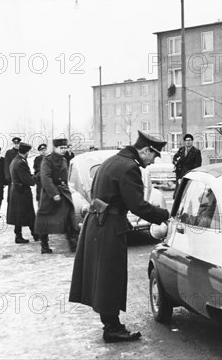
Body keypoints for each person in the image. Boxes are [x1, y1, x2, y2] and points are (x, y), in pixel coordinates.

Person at [69, 130, 170, 343]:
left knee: (103, 277)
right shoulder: (129, 168)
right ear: (145, 150)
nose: (152, 162)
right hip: (109, 227)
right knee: (110, 278)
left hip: (98, 224)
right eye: (154, 156)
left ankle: (111, 324)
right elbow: (138, 206)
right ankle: (112, 328)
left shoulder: (112, 161)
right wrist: (165, 215)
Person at [34, 139, 77, 254]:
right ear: (55, 148)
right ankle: (44, 245)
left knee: (69, 216)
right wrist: (54, 194)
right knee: (45, 219)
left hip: (63, 192)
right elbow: (45, 177)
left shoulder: (63, 159)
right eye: (61, 148)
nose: (63, 150)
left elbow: (65, 176)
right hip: (50, 194)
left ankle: (73, 244)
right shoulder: (47, 160)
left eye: (65, 148)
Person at [6, 142, 39, 243]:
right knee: (29, 214)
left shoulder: (15, 160)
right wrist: (36, 177)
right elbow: (28, 180)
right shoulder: (21, 163)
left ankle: (18, 235)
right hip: (22, 193)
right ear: (27, 152)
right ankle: (36, 235)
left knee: (18, 215)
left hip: (16, 191)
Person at [172, 133, 202, 198]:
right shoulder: (181, 150)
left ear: (192, 141)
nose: (188, 142)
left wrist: (193, 173)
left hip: (189, 173)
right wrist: (175, 163)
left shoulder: (196, 151)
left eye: (189, 140)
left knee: (188, 191)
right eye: (186, 140)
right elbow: (175, 158)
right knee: (179, 190)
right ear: (184, 142)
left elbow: (198, 164)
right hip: (180, 173)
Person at [4, 137, 21, 202]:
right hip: (12, 178)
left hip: (20, 178)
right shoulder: (9, 153)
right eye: (15, 143)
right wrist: (8, 177)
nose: (16, 145)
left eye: (18, 143)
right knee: (12, 197)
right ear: (13, 144)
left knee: (20, 197)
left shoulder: (22, 153)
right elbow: (6, 165)